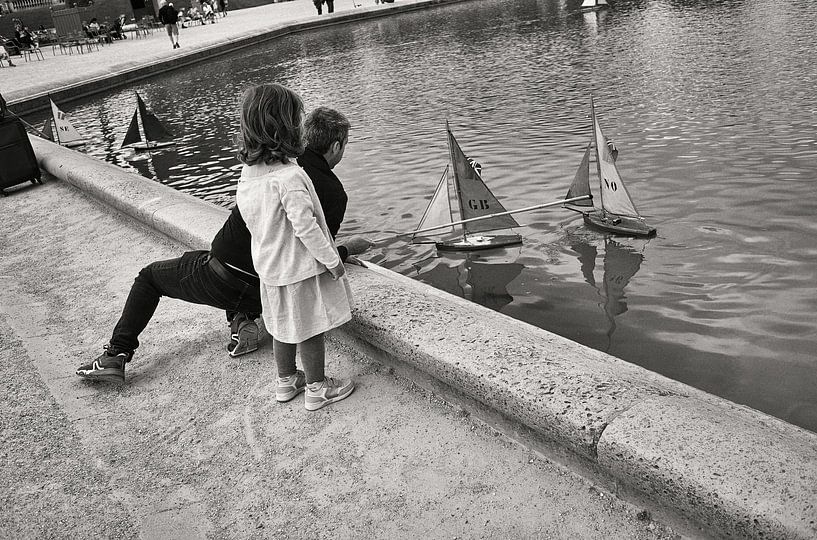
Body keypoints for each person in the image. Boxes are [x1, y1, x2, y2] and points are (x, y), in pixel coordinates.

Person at [75, 108, 372, 385]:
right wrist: (344, 252)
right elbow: (309, 248)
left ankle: (117, 353)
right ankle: (243, 319)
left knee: (153, 277)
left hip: (226, 275)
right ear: (336, 146)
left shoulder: (265, 165)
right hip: (269, 287)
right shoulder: (332, 192)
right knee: (247, 276)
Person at [236, 84, 356, 411]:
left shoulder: (249, 175)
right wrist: (333, 261)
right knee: (309, 330)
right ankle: (317, 388)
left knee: (281, 328)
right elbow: (306, 226)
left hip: (271, 268)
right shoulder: (288, 177)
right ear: (287, 127)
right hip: (298, 270)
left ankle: (285, 381)